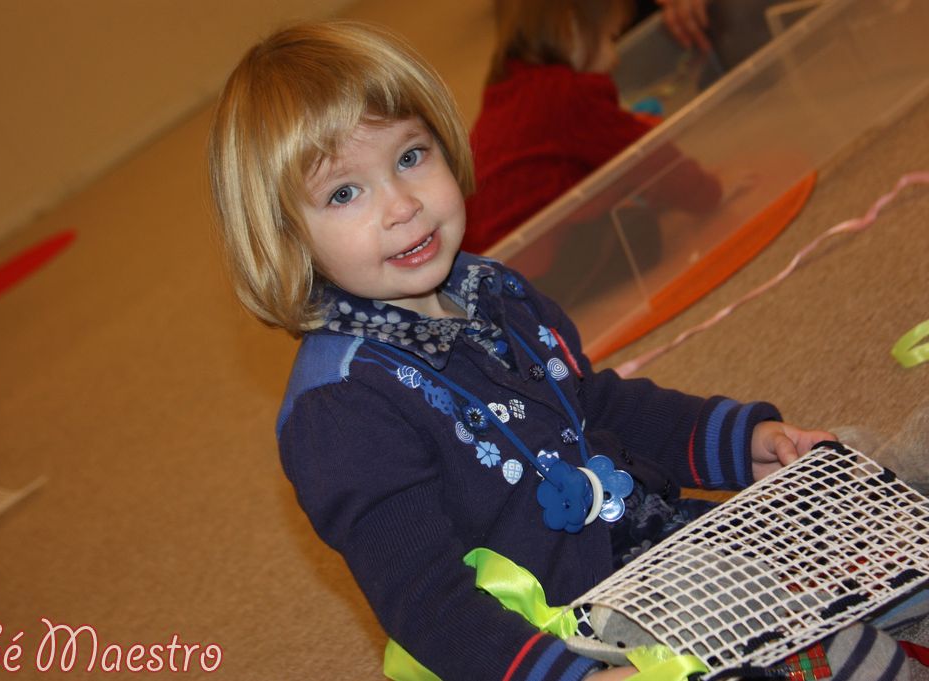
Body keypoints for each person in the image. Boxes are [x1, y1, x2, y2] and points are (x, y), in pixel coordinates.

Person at [208, 20, 919, 681]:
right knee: (803, 630)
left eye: (411, 156)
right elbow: (426, 602)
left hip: (656, 540)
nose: (402, 204)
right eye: (344, 193)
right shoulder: (340, 410)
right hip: (576, 627)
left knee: (845, 482)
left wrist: (740, 441)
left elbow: (598, 408)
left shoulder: (491, 288)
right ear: (286, 241)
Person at [463, 0, 723, 256]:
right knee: (638, 233)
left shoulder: (509, 84)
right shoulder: (569, 94)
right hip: (524, 260)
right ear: (572, 32)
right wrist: (706, 193)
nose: (615, 57)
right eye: (610, 38)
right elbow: (649, 157)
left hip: (477, 255)